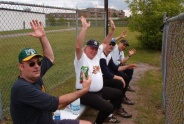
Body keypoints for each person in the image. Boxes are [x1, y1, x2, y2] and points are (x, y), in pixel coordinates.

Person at [10, 20, 92, 124]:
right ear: (21, 67)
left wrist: (43, 37)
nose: (36, 66)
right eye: (31, 64)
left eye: (38, 62)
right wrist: (85, 90)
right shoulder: (21, 88)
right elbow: (57, 104)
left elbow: (49, 58)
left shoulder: (34, 74)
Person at [74, 16, 132, 124]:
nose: (94, 50)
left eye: (96, 48)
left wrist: (113, 30)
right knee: (108, 107)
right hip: (85, 93)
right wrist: (84, 28)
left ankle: (108, 115)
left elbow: (105, 42)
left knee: (118, 94)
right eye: (91, 48)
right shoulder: (81, 58)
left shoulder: (96, 56)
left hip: (99, 90)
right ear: (85, 48)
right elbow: (78, 46)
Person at [100, 39, 137, 106]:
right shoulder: (103, 56)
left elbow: (118, 66)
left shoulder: (109, 55)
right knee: (121, 81)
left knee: (128, 72)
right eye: (123, 44)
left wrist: (128, 66)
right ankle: (117, 104)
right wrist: (119, 36)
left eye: (113, 45)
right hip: (102, 77)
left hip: (112, 69)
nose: (111, 46)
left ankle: (120, 98)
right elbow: (106, 73)